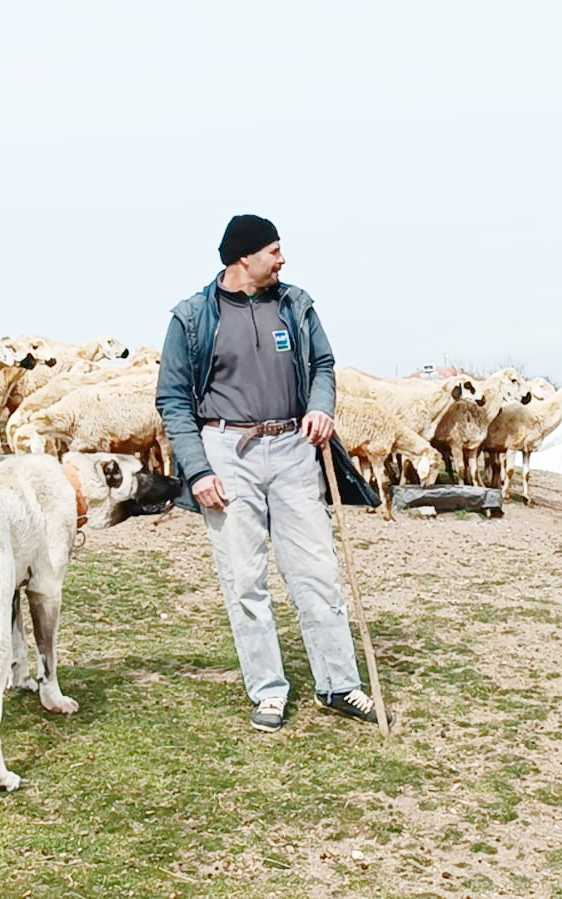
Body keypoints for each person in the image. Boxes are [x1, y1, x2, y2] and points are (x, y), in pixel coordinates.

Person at [155, 214, 389, 733]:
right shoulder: (192, 317)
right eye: (274, 251)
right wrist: (196, 471)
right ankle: (268, 691)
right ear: (245, 257)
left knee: (318, 571)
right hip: (225, 450)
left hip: (293, 446)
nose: (283, 260)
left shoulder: (297, 305)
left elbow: (324, 364)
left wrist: (321, 406)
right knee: (244, 578)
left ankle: (340, 684)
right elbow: (172, 399)